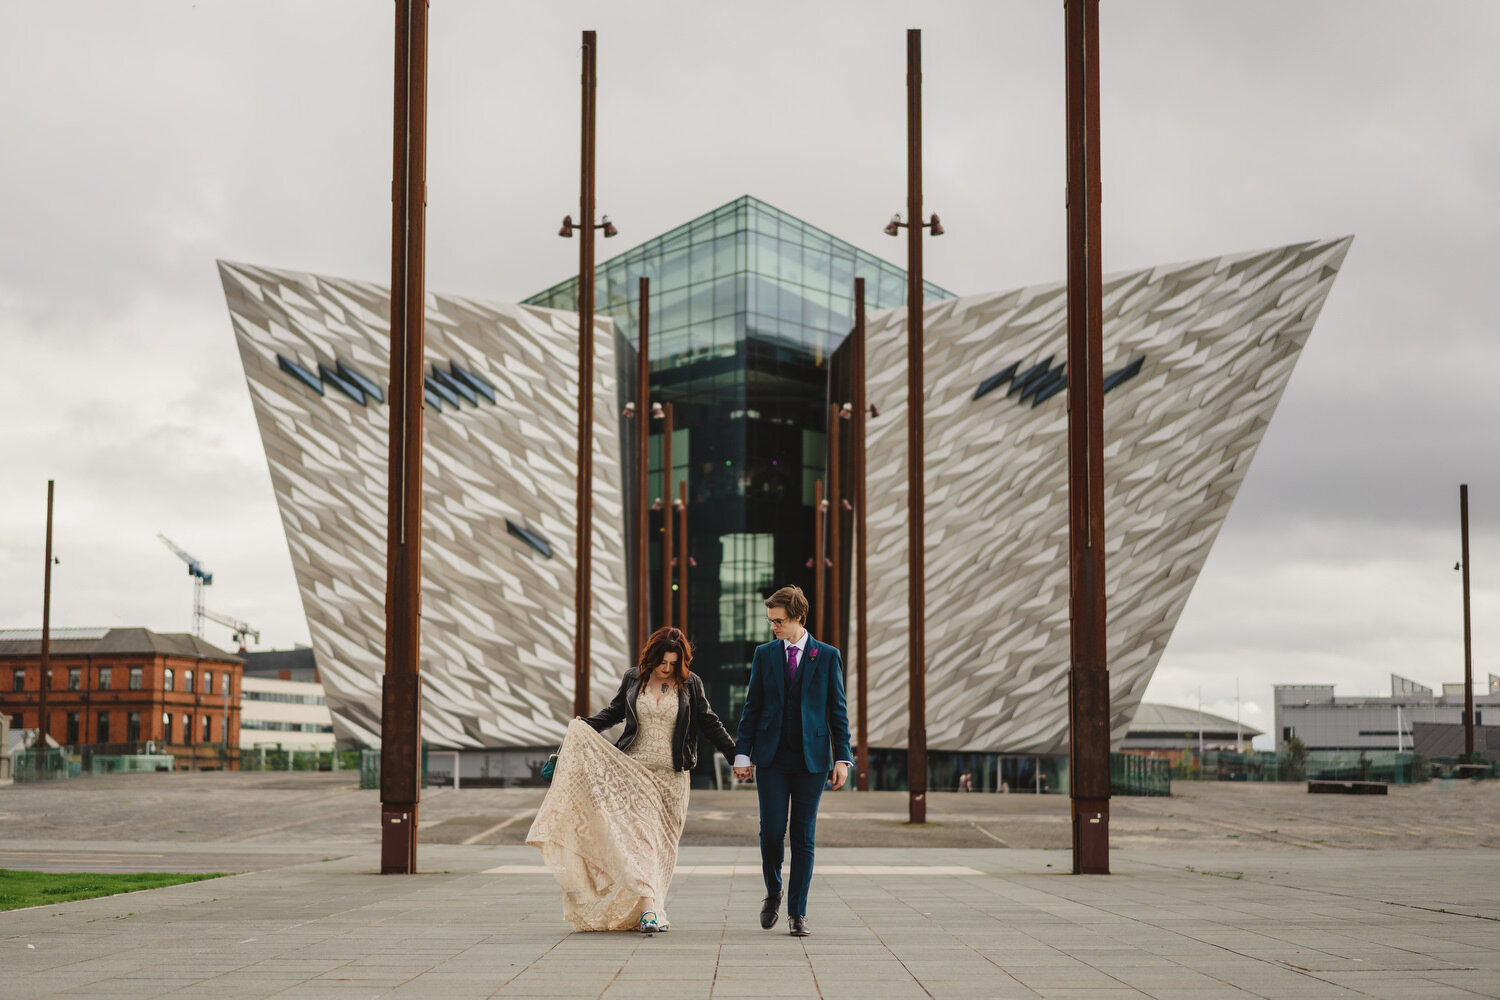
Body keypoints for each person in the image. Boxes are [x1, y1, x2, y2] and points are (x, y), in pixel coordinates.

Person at [526, 626, 737, 934]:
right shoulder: (634, 678)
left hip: (672, 778)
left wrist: (735, 756)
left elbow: (709, 722)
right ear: (651, 657)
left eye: (673, 663)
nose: (667, 669)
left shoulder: (691, 683)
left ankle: (650, 908)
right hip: (633, 773)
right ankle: (649, 911)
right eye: (662, 662)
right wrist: (584, 727)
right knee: (641, 842)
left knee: (661, 848)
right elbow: (614, 713)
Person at [732, 585, 853, 937]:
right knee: (771, 832)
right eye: (770, 621)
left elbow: (838, 710)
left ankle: (797, 913)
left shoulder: (827, 656)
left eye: (779, 621)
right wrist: (742, 753)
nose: (773, 627)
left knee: (803, 836)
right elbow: (752, 706)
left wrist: (842, 758)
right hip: (771, 758)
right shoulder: (765, 654)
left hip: (811, 761)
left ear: (798, 617)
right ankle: (773, 891)